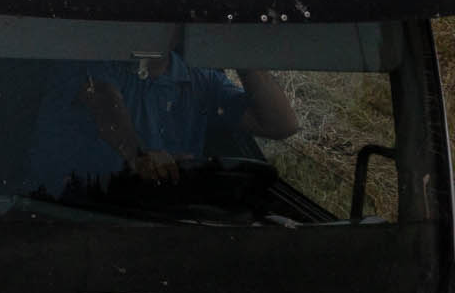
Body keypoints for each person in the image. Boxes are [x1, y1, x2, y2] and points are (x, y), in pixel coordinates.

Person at [25, 47, 299, 193]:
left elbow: (281, 124)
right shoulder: (90, 60)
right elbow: (103, 100)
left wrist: (241, 52)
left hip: (163, 219)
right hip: (76, 212)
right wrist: (139, 155)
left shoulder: (200, 80)